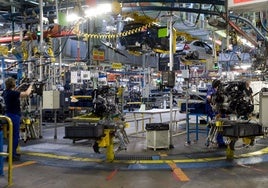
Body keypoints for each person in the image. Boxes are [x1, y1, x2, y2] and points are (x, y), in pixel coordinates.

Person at [2, 77, 33, 161]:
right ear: (13, 84)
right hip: (14, 116)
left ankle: (10, 153)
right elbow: (26, 94)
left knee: (11, 136)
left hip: (8, 114)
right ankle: (12, 155)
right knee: (15, 136)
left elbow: (15, 91)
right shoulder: (13, 93)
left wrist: (19, 87)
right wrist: (31, 86)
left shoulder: (5, 92)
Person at [206, 79, 226, 148]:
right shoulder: (211, 90)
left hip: (219, 111)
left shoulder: (219, 91)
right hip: (213, 111)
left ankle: (218, 140)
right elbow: (208, 98)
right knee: (218, 124)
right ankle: (218, 141)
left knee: (220, 124)